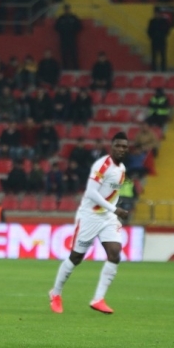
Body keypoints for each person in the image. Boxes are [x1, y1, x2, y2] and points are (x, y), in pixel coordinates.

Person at [48, 132, 130, 315]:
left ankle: (98, 298)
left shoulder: (122, 169)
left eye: (125, 146)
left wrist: (113, 211)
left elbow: (112, 192)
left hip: (107, 218)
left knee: (115, 254)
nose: (121, 149)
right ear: (111, 146)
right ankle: (56, 293)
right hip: (90, 217)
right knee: (76, 258)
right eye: (118, 145)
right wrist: (114, 209)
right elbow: (92, 192)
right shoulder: (102, 165)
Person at [54, 4, 82, 69]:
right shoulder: (61, 18)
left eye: (68, 9)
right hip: (63, 38)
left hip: (72, 38)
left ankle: (76, 68)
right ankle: (65, 68)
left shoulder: (73, 17)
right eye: (65, 9)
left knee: (73, 54)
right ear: (64, 10)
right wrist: (62, 31)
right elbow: (56, 27)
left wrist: (73, 31)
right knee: (64, 54)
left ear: (69, 9)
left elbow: (79, 26)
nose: (67, 10)